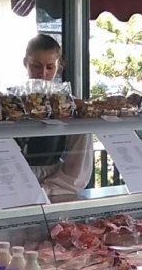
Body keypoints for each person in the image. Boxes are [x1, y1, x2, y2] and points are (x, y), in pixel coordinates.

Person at [19, 35, 93, 201]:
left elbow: (78, 166)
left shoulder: (70, 106)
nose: (42, 73)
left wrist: (47, 189)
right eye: (36, 66)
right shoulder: (11, 103)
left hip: (55, 189)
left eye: (50, 67)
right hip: (12, 185)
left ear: (59, 66)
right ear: (25, 63)